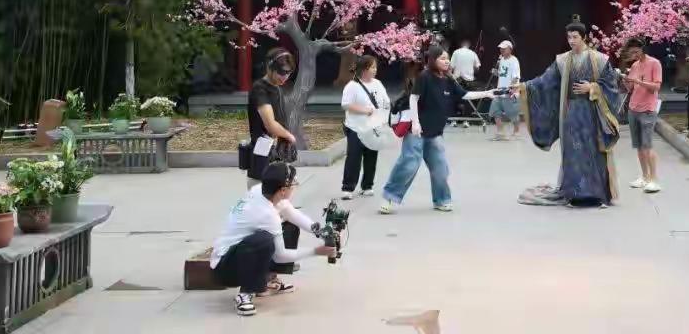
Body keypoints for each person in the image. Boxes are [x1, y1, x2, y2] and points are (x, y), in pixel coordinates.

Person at [511, 21, 622, 208]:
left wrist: (592, 87)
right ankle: (575, 193)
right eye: (569, 37)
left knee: (593, 151)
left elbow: (611, 84)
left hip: (592, 113)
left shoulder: (599, 59)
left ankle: (596, 194)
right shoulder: (562, 61)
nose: (571, 41)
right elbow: (545, 81)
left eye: (575, 37)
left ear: (584, 37)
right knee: (573, 152)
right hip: (570, 113)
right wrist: (524, 87)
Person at [210, 162, 335, 316]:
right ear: (283, 190)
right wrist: (316, 251)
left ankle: (267, 280)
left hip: (236, 256)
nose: (295, 186)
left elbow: (291, 213)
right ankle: (245, 293)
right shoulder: (266, 214)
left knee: (289, 227)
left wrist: (320, 231)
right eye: (293, 183)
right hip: (224, 269)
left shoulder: (260, 191)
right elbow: (281, 256)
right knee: (264, 240)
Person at [380, 46, 493, 214]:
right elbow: (413, 99)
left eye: (447, 58)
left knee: (440, 169)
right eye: (442, 58)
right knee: (409, 164)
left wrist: (488, 93)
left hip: (435, 133)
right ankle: (389, 197)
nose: (446, 61)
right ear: (433, 60)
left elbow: (464, 94)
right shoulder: (424, 77)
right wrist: (415, 123)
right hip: (416, 133)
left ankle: (441, 200)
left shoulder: (448, 79)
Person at [340, 55, 390, 200]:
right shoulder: (352, 86)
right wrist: (364, 110)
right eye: (372, 67)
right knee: (354, 157)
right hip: (356, 127)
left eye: (375, 67)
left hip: (373, 127)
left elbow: (386, 101)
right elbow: (346, 104)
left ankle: (367, 185)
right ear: (364, 69)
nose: (375, 70)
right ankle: (348, 187)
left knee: (371, 156)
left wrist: (384, 117)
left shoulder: (378, 84)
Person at [247, 48, 298, 185]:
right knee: (261, 191)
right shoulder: (260, 89)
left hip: (277, 153)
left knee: (282, 192)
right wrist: (289, 136)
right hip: (263, 150)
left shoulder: (277, 87)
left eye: (289, 73)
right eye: (282, 72)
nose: (285, 77)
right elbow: (270, 124)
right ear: (270, 68)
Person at [622, 38, 663, 193]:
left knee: (647, 146)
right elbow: (630, 88)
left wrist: (638, 81)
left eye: (636, 51)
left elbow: (656, 87)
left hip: (648, 110)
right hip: (633, 108)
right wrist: (625, 80)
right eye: (631, 52)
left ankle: (654, 179)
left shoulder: (655, 63)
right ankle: (644, 177)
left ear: (642, 49)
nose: (634, 55)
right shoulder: (635, 65)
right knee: (639, 146)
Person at [490, 40, 522, 141]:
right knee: (496, 111)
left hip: (509, 91)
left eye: (504, 48)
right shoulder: (501, 60)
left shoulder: (514, 60)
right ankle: (500, 133)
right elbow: (502, 74)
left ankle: (516, 132)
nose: (502, 50)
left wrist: (512, 89)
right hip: (499, 90)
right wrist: (496, 72)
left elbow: (516, 77)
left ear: (510, 49)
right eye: (501, 48)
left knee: (513, 114)